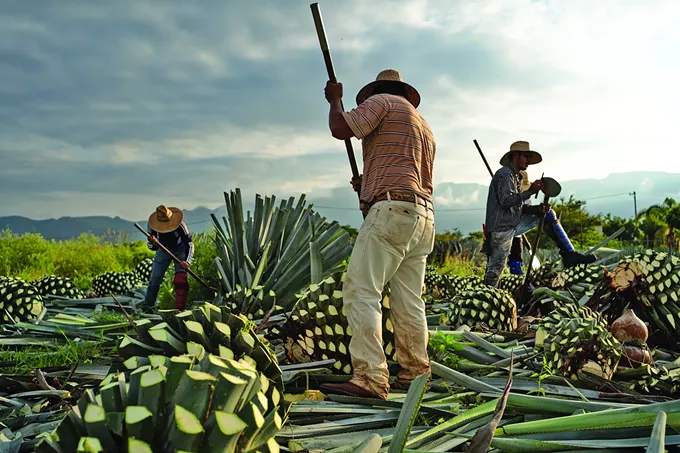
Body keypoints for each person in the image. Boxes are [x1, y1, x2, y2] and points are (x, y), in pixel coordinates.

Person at [318, 69, 436, 400]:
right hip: (422, 217)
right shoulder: (424, 126)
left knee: (361, 291)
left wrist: (335, 100)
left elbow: (340, 128)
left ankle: (370, 377)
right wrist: (366, 186)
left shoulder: (382, 102)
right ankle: (415, 372)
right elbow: (401, 168)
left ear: (377, 91)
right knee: (409, 300)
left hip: (394, 211)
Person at [483, 141, 596, 288]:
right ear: (515, 156)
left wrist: (537, 209)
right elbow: (506, 202)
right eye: (526, 157)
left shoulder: (516, 177)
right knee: (495, 271)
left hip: (513, 223)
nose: (528, 161)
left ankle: (569, 253)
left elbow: (520, 207)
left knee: (548, 214)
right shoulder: (504, 175)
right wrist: (530, 191)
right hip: (501, 228)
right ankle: (487, 296)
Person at [142, 205, 194, 311]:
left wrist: (187, 262)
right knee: (155, 279)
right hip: (163, 248)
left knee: (181, 280)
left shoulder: (181, 225)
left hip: (180, 248)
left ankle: (180, 310)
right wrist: (153, 243)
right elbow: (152, 247)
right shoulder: (152, 225)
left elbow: (189, 243)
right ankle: (148, 307)